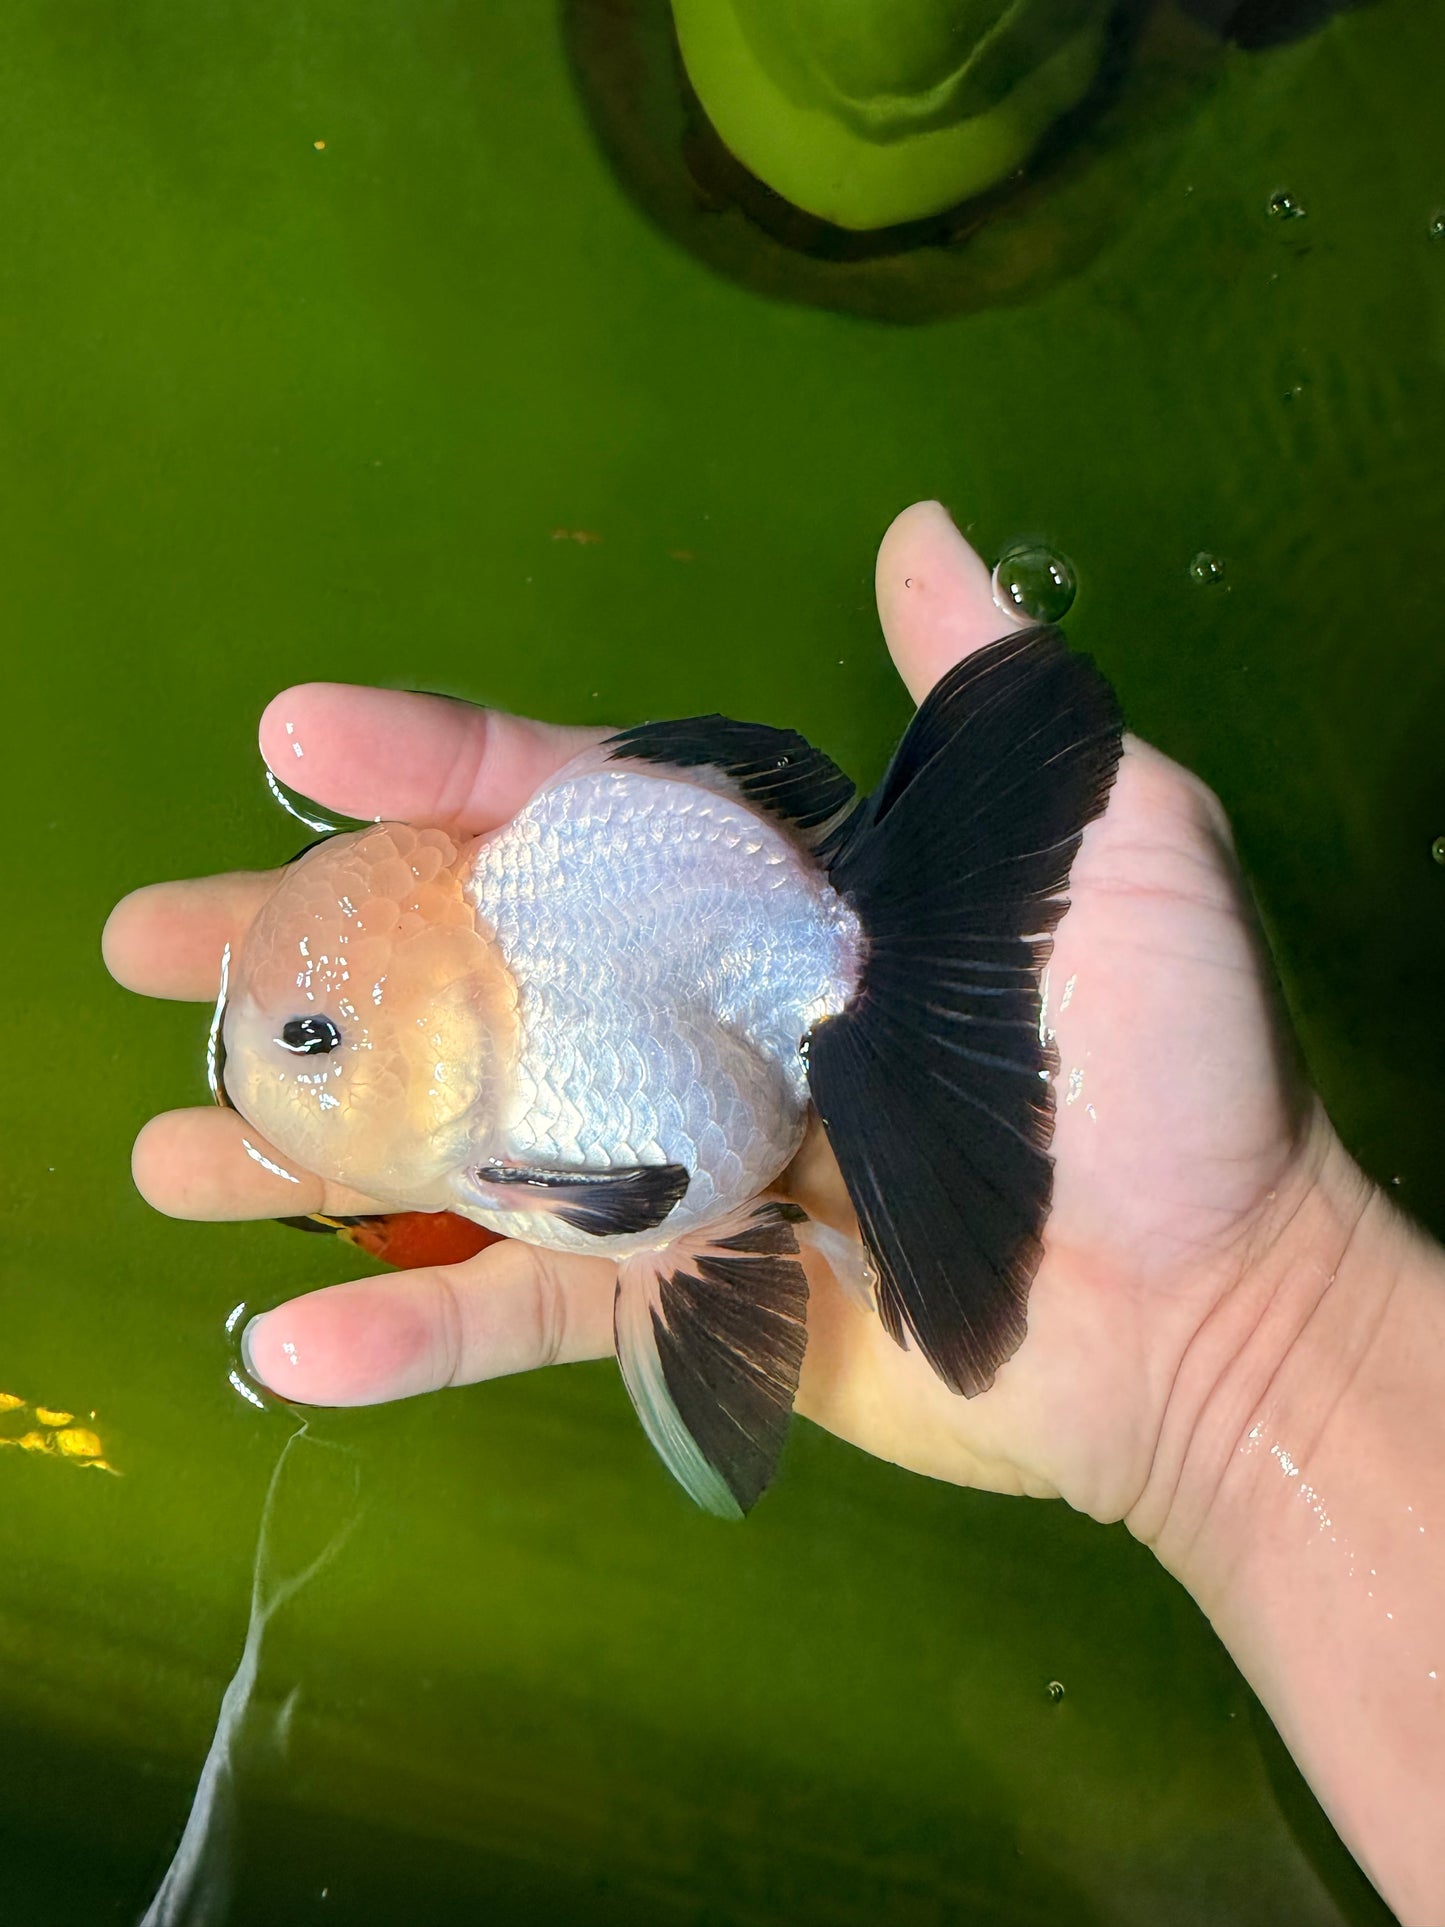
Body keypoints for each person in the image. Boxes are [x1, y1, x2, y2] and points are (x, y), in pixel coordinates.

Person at [102, 501, 1445, 1924]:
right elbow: (651, 1195)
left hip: (775, 988)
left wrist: (1240, 1339)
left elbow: (634, 1191)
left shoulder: (527, 1068)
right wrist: (1248, 1372)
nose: (270, 1066)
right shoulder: (500, 1072)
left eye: (310, 1038)